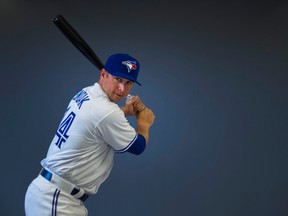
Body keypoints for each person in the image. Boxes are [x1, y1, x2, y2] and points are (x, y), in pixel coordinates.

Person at [24, 53, 155, 216]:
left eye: (128, 83)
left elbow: (95, 121)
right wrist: (144, 123)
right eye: (118, 80)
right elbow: (137, 146)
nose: (122, 89)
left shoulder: (86, 93)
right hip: (58, 199)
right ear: (103, 74)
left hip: (51, 193)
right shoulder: (107, 112)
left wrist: (124, 112)